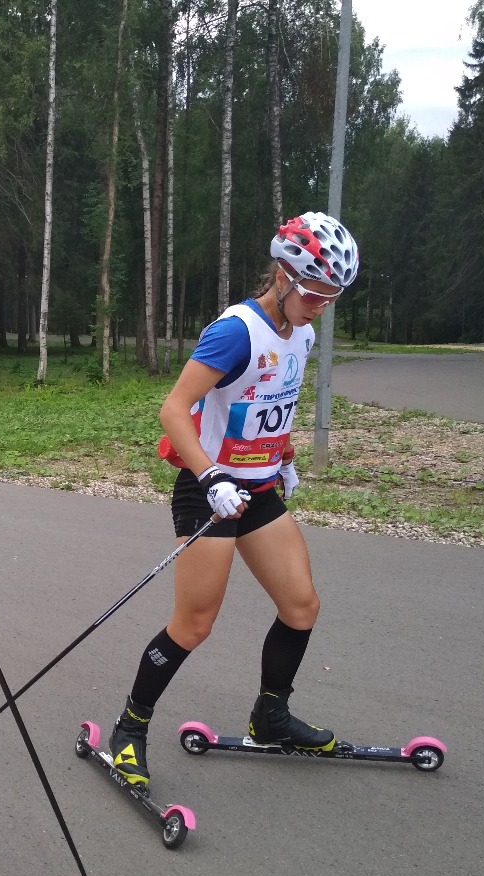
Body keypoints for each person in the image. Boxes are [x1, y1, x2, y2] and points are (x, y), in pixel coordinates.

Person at [108, 212, 360, 791]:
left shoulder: (303, 332)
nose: (321, 304)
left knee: (302, 607)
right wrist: (212, 475)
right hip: (210, 492)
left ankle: (270, 716)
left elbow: (270, 400)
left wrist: (286, 455)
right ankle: (129, 728)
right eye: (315, 292)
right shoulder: (235, 331)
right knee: (194, 625)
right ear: (283, 275)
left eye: (331, 296)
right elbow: (174, 410)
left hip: (262, 488)